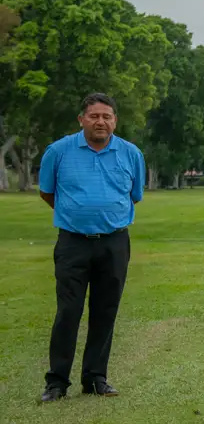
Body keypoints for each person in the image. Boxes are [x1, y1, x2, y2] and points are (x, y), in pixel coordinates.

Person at [37, 93, 146, 402]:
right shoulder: (58, 151)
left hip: (114, 242)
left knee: (105, 310)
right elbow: (47, 192)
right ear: (81, 119)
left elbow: (134, 195)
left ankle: (95, 378)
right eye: (94, 116)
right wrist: (76, 214)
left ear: (115, 121)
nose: (100, 121)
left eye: (106, 116)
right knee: (68, 311)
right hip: (73, 243)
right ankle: (57, 382)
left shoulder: (130, 153)